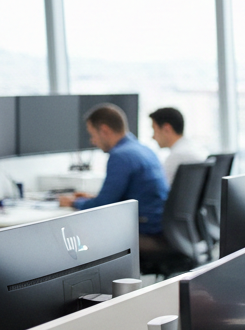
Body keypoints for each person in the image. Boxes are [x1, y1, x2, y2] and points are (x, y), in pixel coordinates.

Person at [59, 103, 170, 255]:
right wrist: (91, 198)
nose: (92, 141)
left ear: (104, 130)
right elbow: (120, 198)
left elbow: (102, 206)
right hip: (163, 230)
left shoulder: (120, 156)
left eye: (92, 134)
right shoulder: (143, 149)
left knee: (75, 244)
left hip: (145, 232)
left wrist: (72, 202)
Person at [150, 106, 207, 185]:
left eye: (154, 130)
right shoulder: (196, 148)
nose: (153, 137)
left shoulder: (176, 157)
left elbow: (160, 189)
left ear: (167, 129)